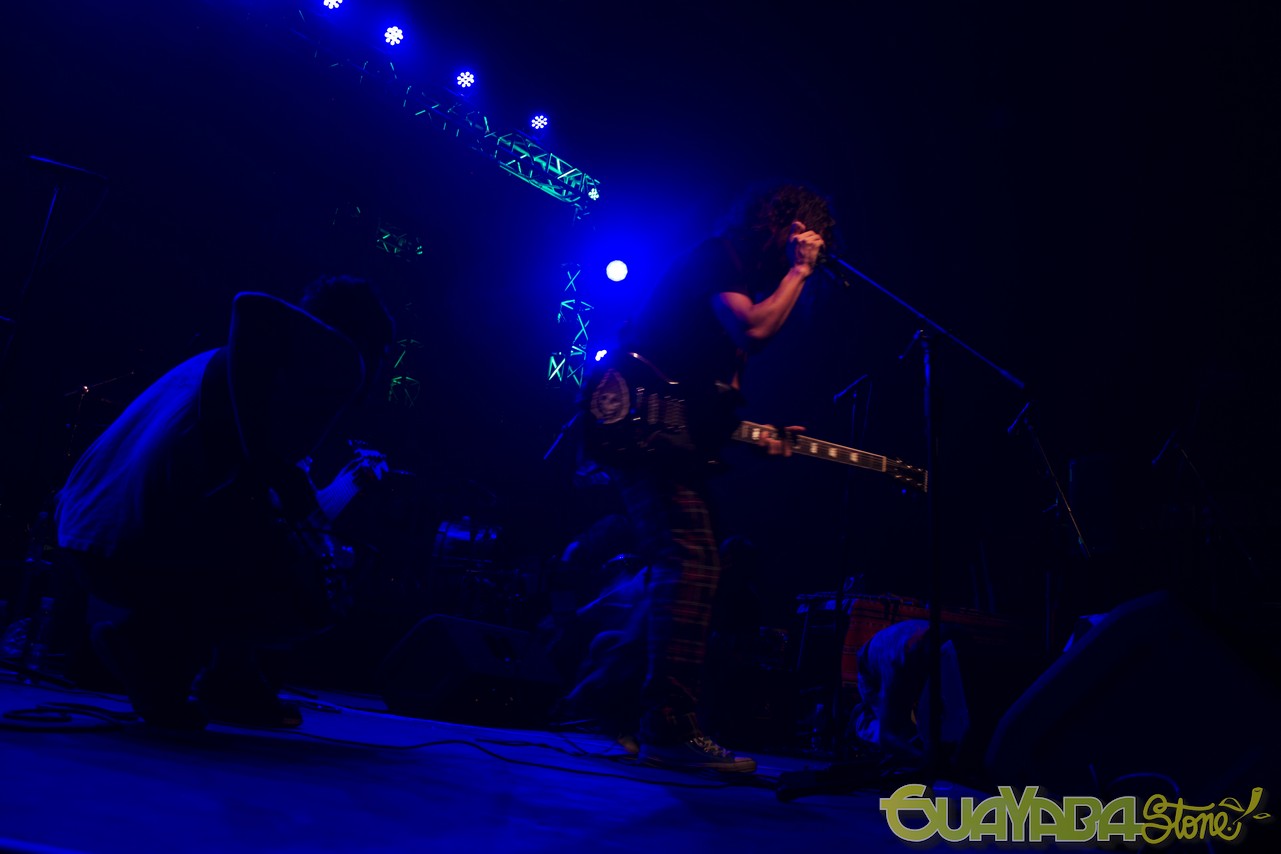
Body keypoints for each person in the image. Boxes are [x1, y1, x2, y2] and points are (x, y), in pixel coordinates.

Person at [54, 275, 395, 729]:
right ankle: (148, 650)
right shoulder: (342, 356)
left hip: (84, 535)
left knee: (261, 523)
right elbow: (252, 304)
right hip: (135, 552)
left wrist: (285, 478)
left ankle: (230, 678)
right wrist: (265, 464)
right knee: (308, 591)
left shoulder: (238, 370)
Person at [575, 183, 835, 772]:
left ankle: (602, 705)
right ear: (783, 227)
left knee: (686, 566)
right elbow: (754, 331)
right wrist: (800, 273)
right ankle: (667, 727)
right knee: (691, 561)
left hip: (660, 435)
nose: (806, 254)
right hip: (633, 424)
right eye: (802, 239)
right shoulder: (720, 258)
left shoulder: (735, 278)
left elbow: (704, 403)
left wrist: (757, 436)